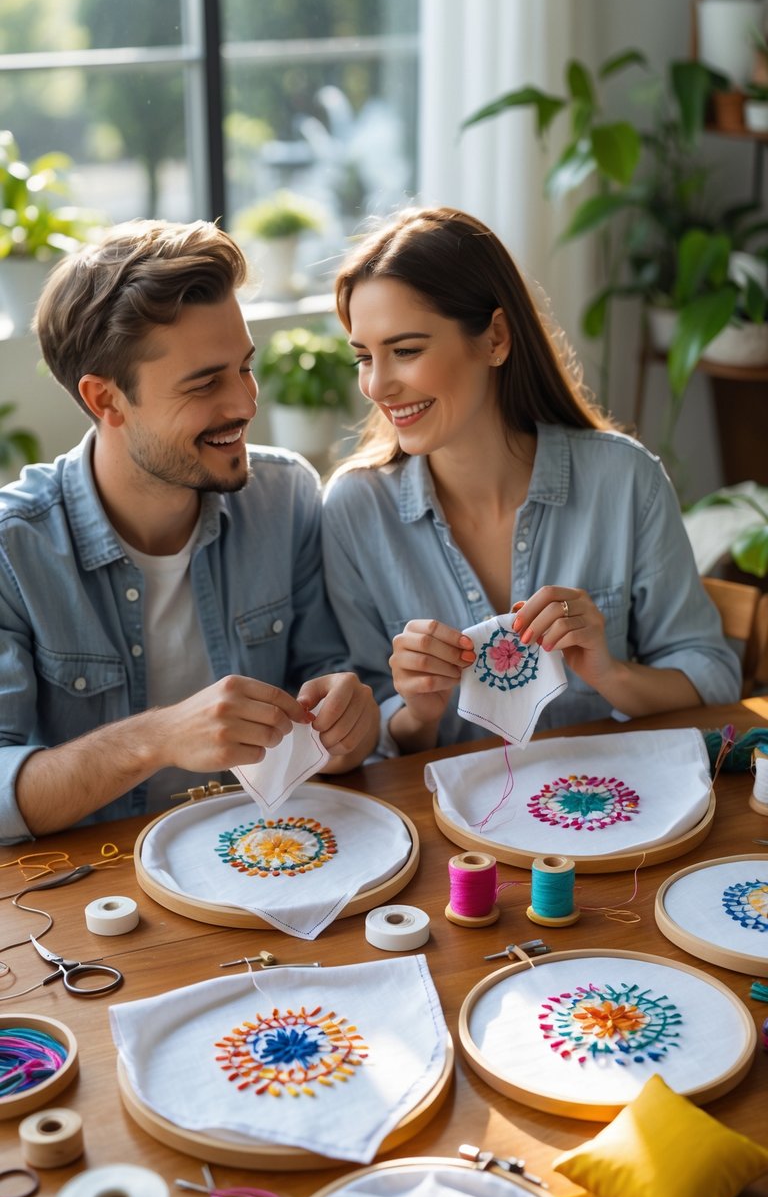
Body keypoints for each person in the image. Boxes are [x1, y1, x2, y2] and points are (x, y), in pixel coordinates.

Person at [0, 219, 378, 844]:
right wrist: (159, 737)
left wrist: (349, 727)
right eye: (205, 382)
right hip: (97, 896)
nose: (246, 403)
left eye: (245, 367)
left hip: (279, 853)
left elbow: (337, 712)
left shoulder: (285, 498)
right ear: (106, 399)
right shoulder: (14, 548)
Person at [322, 205, 741, 755]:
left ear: (495, 337)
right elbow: (364, 736)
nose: (377, 385)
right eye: (364, 357)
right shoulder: (354, 509)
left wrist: (609, 673)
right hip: (453, 831)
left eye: (405, 351)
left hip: (614, 817)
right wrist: (417, 712)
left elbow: (712, 677)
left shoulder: (625, 480)